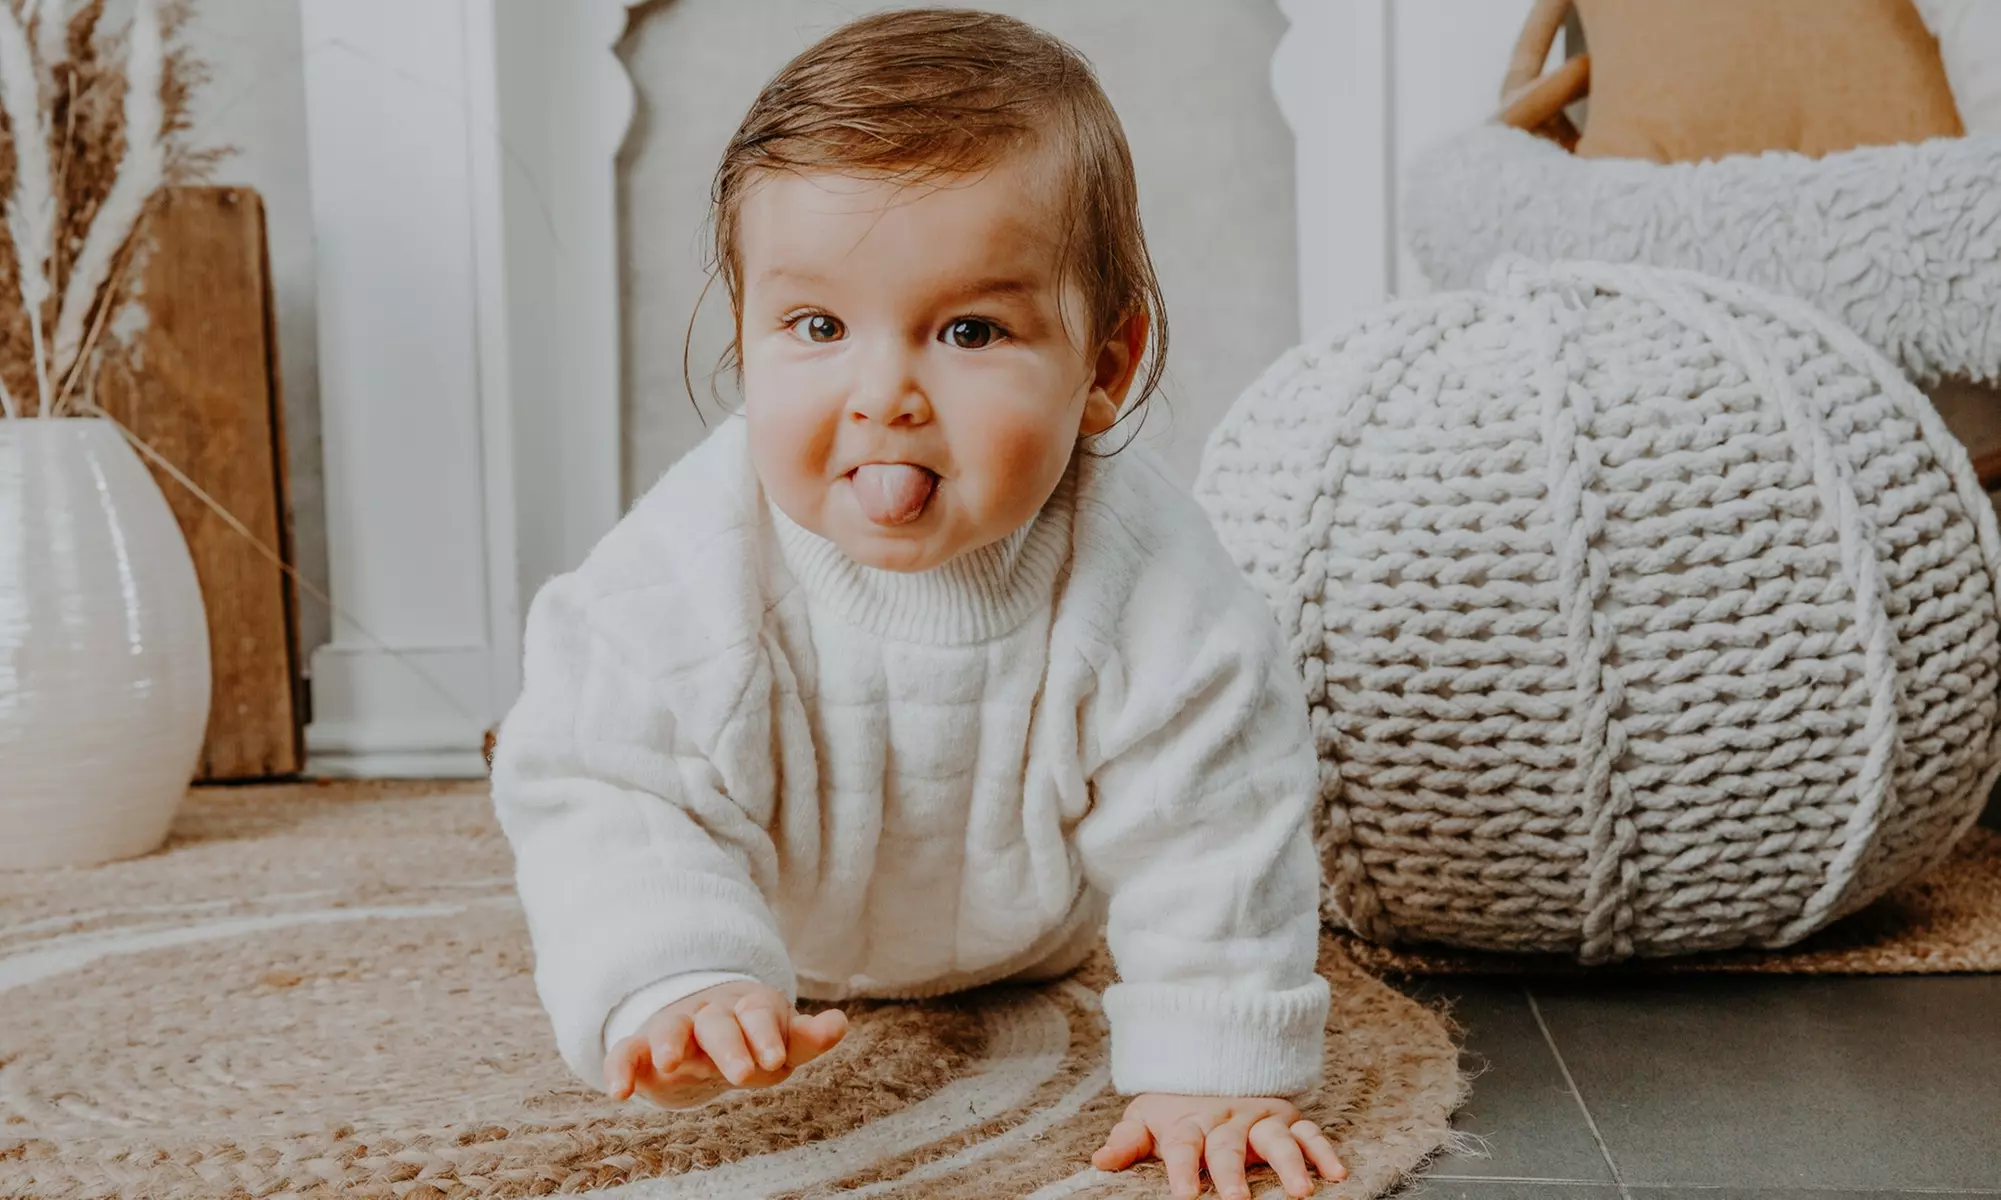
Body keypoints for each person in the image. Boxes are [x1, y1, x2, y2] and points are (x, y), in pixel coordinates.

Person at [490, 10, 1343, 1198]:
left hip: (1031, 939)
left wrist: (1211, 1063)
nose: (883, 394)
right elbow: (605, 780)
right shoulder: (687, 575)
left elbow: (1216, 817)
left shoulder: (1151, 586)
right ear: (744, 337)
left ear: (1105, 365)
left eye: (968, 330)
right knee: (640, 841)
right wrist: (670, 974)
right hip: (774, 924)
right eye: (819, 327)